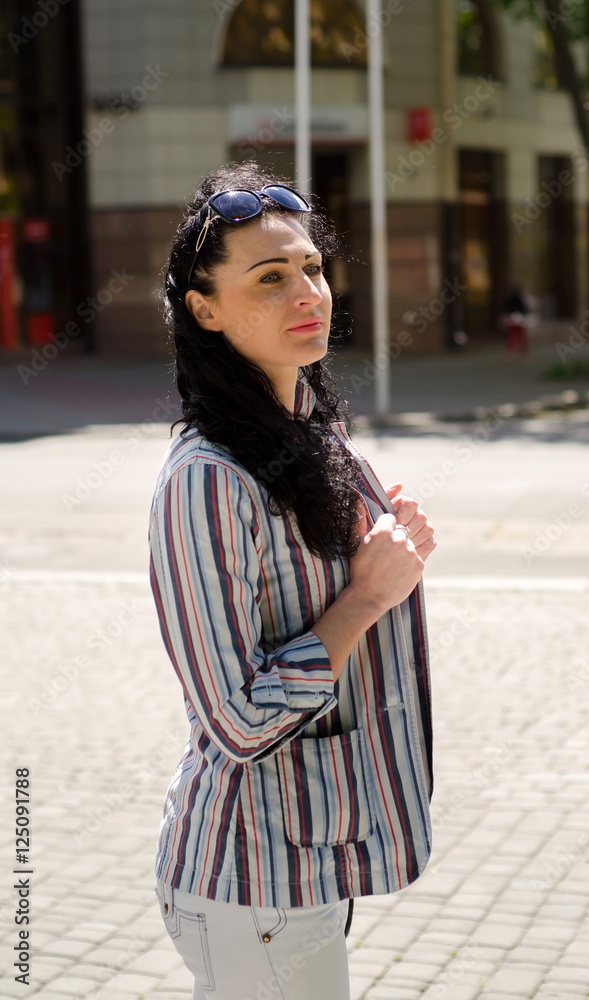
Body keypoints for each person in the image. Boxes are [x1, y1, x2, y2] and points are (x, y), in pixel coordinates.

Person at [149, 161, 436, 1000]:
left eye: (310, 267)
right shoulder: (209, 478)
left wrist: (388, 549)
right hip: (250, 882)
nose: (306, 290)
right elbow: (237, 719)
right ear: (204, 310)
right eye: (269, 278)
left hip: (301, 864)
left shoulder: (313, 436)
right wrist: (369, 594)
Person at [503, 284, 530, 357]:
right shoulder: (520, 300)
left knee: (513, 336)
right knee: (521, 337)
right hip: (520, 320)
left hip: (512, 320)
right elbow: (525, 310)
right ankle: (523, 353)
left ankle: (511, 352)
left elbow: (506, 310)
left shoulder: (510, 300)